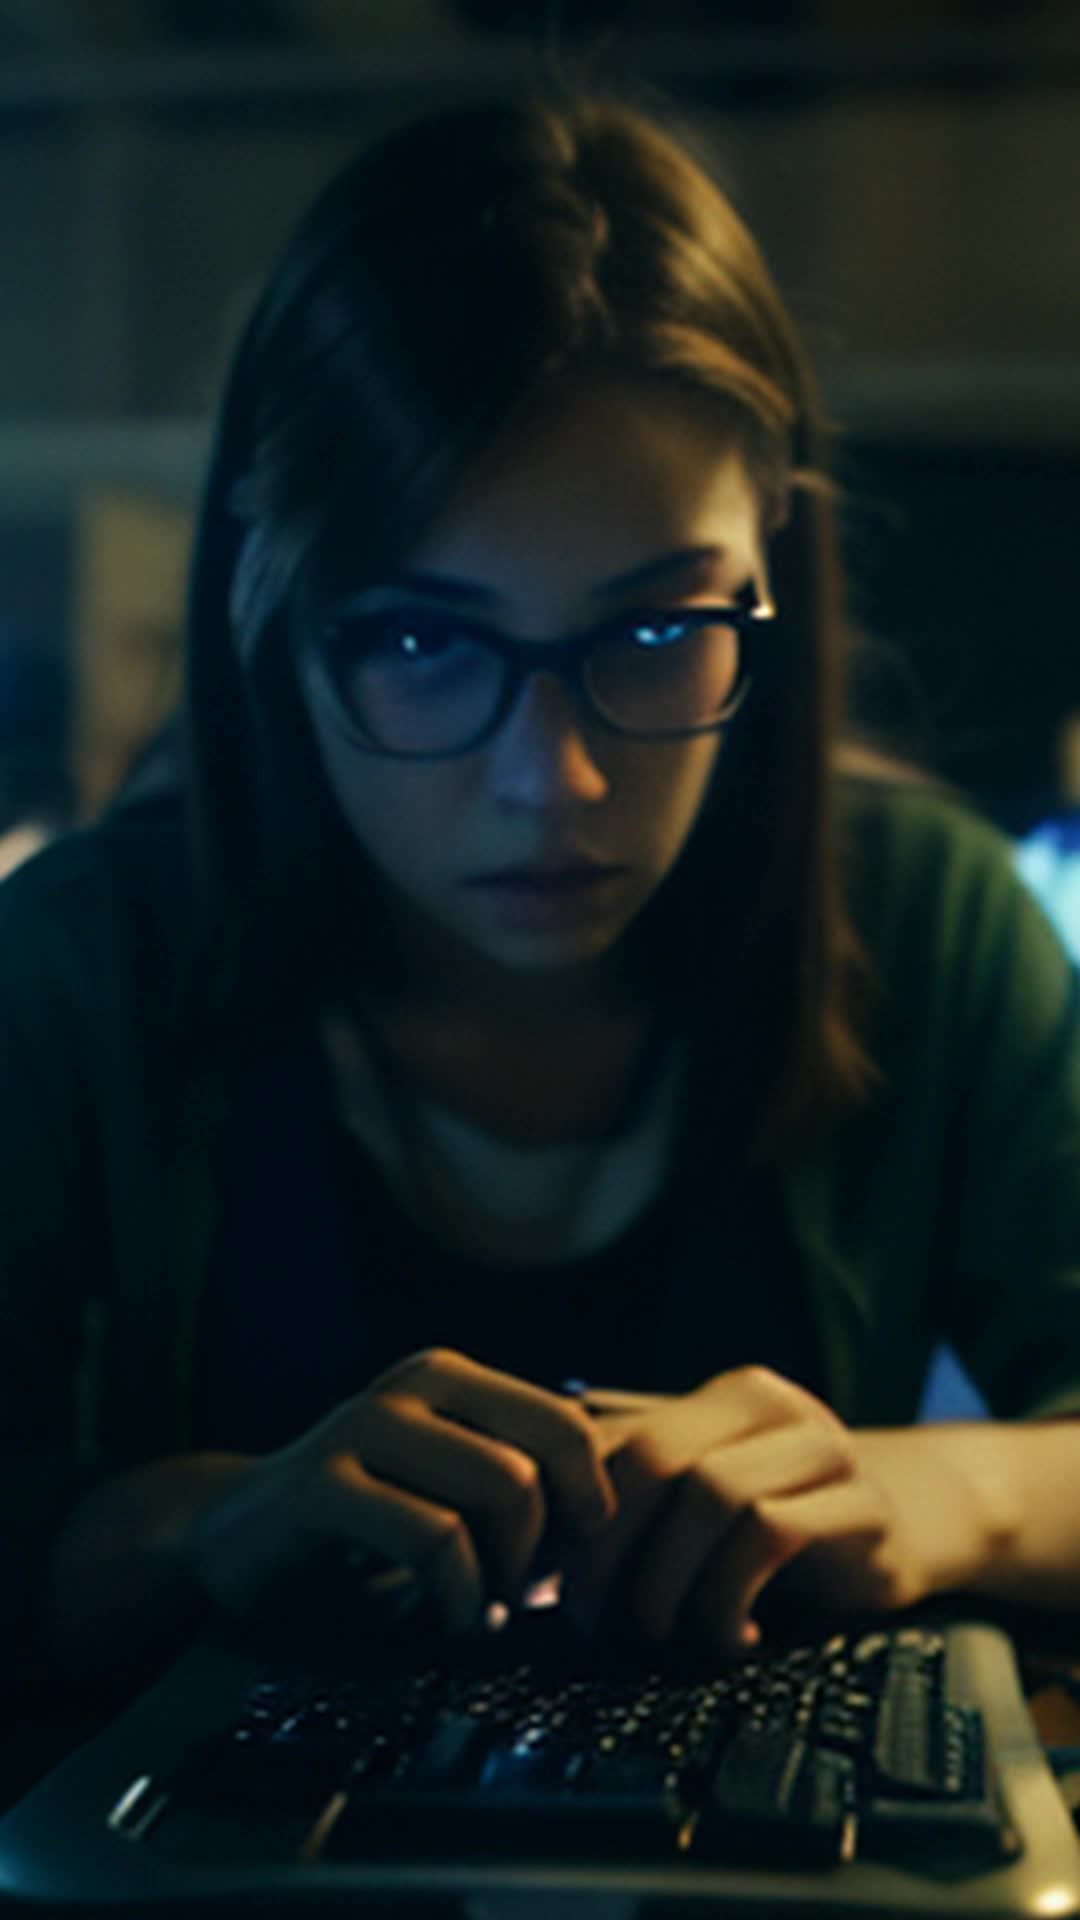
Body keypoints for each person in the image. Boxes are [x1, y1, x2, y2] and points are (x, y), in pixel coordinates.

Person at [2, 88, 1079, 1726]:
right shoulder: (77, 968)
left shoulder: (926, 919)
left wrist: (913, 1493)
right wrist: (195, 1523)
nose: (554, 783)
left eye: (653, 636)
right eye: (427, 645)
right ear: (270, 609)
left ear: (768, 565)